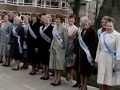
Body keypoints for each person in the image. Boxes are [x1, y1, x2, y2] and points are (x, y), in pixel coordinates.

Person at [95, 17, 120, 90]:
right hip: (102, 58)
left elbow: (119, 49)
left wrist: (118, 62)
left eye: (110, 26)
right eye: (107, 25)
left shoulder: (118, 35)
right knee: (101, 79)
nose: (108, 27)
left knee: (109, 81)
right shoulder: (102, 34)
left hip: (111, 60)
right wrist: (96, 60)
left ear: (114, 26)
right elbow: (98, 48)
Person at [77, 18, 98, 90]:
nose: (84, 26)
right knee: (81, 70)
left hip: (88, 54)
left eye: (86, 24)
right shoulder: (81, 30)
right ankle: (82, 84)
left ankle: (85, 85)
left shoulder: (92, 31)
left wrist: (90, 52)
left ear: (89, 24)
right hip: (81, 53)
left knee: (87, 71)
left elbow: (94, 43)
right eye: (83, 24)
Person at [49, 14, 68, 86]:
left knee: (59, 65)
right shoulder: (54, 28)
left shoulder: (64, 28)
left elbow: (66, 40)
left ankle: (58, 79)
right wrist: (51, 47)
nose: (56, 20)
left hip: (61, 49)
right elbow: (53, 38)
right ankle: (55, 78)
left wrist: (65, 50)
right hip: (54, 47)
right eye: (55, 19)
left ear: (61, 19)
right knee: (54, 64)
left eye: (58, 19)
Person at [38, 14, 53, 80]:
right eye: (45, 20)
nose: (46, 22)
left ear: (50, 20)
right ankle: (44, 73)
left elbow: (52, 39)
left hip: (48, 47)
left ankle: (47, 74)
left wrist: (50, 47)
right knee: (43, 61)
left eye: (47, 20)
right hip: (42, 46)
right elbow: (39, 37)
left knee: (47, 61)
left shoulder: (52, 28)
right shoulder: (41, 27)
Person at [65, 14, 78, 83]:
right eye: (70, 19)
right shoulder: (65, 27)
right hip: (65, 45)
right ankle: (67, 75)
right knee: (66, 61)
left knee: (71, 61)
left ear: (74, 20)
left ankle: (71, 75)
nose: (71, 20)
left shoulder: (76, 28)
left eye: (72, 19)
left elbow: (75, 38)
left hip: (72, 46)